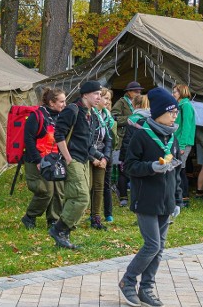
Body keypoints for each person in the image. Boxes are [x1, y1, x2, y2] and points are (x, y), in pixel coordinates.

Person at [119, 87, 184, 307]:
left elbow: (176, 171)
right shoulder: (141, 135)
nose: (175, 115)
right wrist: (152, 167)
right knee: (152, 245)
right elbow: (128, 166)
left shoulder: (172, 136)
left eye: (176, 112)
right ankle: (128, 280)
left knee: (160, 247)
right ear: (157, 113)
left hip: (166, 200)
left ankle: (147, 289)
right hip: (146, 199)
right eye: (171, 112)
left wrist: (177, 199)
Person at [48, 80, 104, 250]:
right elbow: (59, 134)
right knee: (81, 197)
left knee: (75, 197)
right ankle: (59, 229)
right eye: (96, 94)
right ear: (85, 94)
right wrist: (68, 158)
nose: (99, 97)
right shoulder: (73, 109)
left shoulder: (92, 114)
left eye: (100, 94)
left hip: (84, 159)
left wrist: (99, 155)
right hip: (72, 160)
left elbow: (86, 143)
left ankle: (65, 233)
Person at [20, 87, 67, 230]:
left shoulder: (61, 116)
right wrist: (38, 161)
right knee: (45, 191)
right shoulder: (37, 116)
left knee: (58, 191)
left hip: (56, 159)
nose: (64, 104)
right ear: (52, 103)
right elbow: (28, 140)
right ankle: (30, 216)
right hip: (37, 159)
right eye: (61, 101)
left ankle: (53, 219)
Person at [112, 81, 142, 206]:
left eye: (139, 91)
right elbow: (114, 117)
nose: (138, 93)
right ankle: (123, 196)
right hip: (123, 138)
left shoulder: (136, 102)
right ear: (128, 92)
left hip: (132, 137)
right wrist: (129, 120)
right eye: (136, 91)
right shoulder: (121, 102)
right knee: (122, 168)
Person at [89, 88, 115, 228]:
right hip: (89, 153)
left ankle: (96, 217)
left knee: (99, 186)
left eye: (108, 99)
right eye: (105, 98)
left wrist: (105, 157)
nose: (106, 101)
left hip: (102, 154)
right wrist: (97, 156)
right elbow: (86, 140)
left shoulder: (107, 116)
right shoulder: (91, 114)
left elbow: (109, 139)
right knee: (87, 187)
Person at [172, 84, 195, 206]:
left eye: (175, 92)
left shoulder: (186, 106)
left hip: (183, 143)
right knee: (179, 169)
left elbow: (187, 126)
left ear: (181, 92)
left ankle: (184, 198)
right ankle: (179, 197)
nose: (173, 94)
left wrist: (182, 145)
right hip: (178, 141)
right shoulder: (180, 105)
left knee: (180, 169)